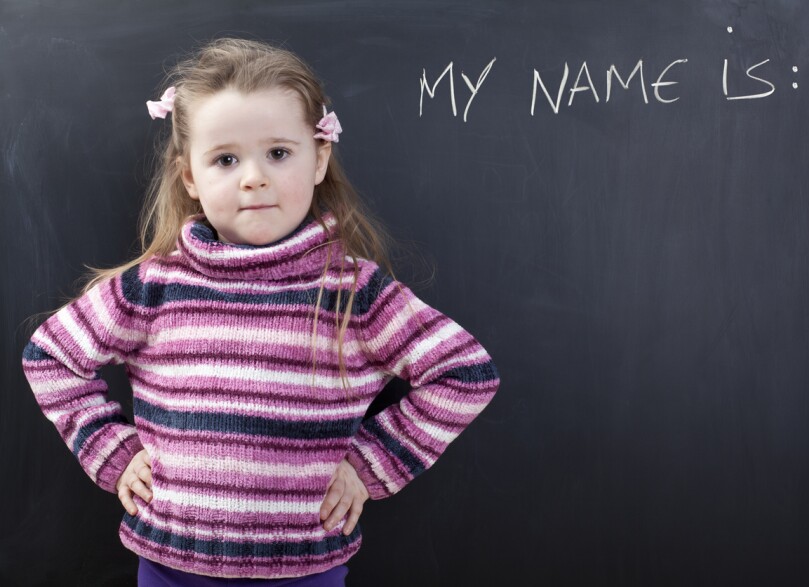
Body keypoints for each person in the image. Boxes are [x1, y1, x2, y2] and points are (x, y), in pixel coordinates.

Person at [21, 37, 500, 586]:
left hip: (305, 569)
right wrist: (110, 449)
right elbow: (52, 356)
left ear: (319, 158)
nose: (254, 177)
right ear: (190, 178)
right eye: (226, 159)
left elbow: (465, 373)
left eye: (278, 153)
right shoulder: (155, 286)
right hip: (171, 566)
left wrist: (371, 467)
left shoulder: (355, 295)